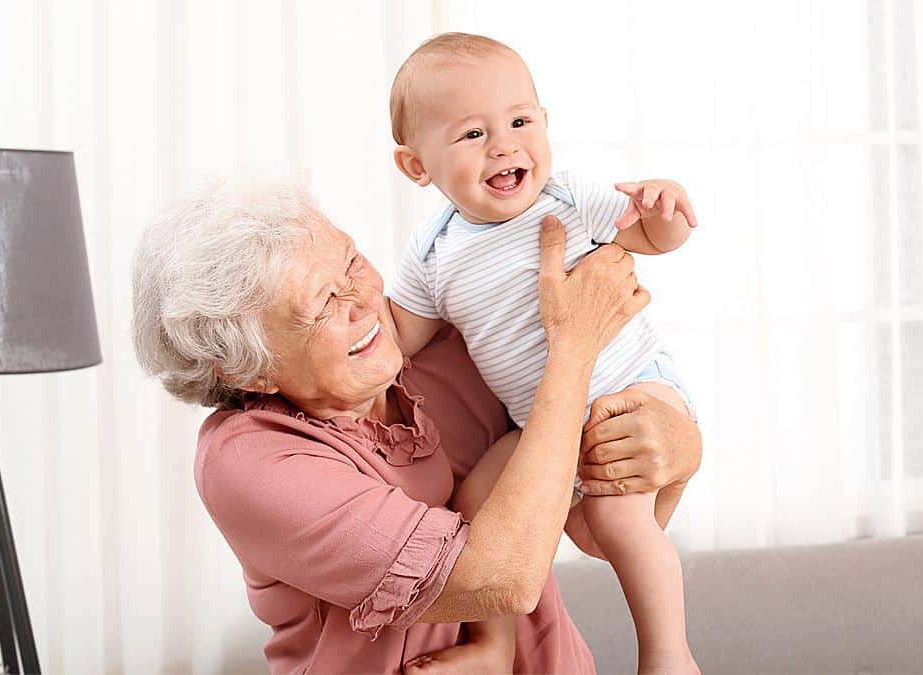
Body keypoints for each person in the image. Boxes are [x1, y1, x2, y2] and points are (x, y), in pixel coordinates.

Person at [130, 178, 702, 674]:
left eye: (351, 262)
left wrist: (679, 446)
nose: (363, 301)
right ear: (244, 368)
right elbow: (499, 579)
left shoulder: (451, 349)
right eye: (321, 305)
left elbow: (595, 529)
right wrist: (573, 347)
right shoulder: (251, 459)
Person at [386, 32, 700, 673]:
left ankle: (669, 653)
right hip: (543, 426)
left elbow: (650, 238)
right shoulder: (433, 252)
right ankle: (494, 645)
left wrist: (664, 208)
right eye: (472, 134)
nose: (504, 145)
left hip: (628, 389)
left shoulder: (567, 197)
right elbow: (398, 339)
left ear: (545, 123)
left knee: (616, 519)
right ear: (417, 167)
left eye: (520, 122)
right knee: (476, 507)